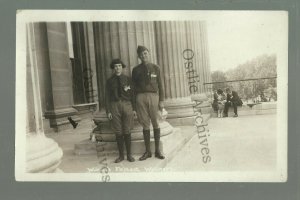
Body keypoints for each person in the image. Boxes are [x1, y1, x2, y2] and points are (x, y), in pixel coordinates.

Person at [132, 45, 165, 161]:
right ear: (139, 56)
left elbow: (160, 85)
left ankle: (157, 150)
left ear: (148, 53)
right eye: (141, 54)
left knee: (156, 122)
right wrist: (134, 104)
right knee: (145, 124)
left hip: (153, 96)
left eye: (145, 53)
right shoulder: (135, 70)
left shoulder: (156, 68)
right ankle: (147, 151)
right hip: (140, 97)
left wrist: (161, 100)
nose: (143, 56)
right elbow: (133, 88)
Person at [105, 58, 136, 163]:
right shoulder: (109, 81)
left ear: (122, 67)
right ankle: (121, 156)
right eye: (115, 66)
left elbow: (133, 95)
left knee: (127, 130)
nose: (117, 68)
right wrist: (108, 111)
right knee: (118, 131)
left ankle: (129, 155)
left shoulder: (128, 79)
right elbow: (107, 97)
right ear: (113, 68)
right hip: (114, 106)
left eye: (119, 66)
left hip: (127, 105)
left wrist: (134, 109)